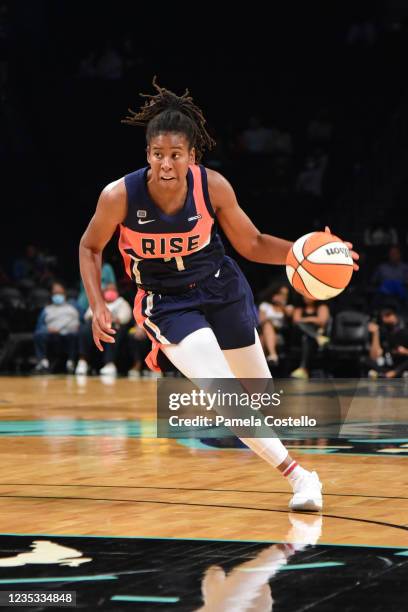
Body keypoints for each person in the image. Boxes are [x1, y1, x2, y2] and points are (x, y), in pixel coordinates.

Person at [79, 78, 359, 512]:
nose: (166, 164)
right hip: (166, 302)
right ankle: (302, 477)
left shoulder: (213, 187)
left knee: (259, 394)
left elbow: (252, 243)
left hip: (220, 286)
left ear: (192, 155)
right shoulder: (119, 196)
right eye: (157, 155)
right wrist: (97, 304)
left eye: (175, 155)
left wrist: (312, 252)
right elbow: (90, 246)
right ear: (147, 155)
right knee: (223, 391)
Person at [33, 282, 79, 373]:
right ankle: (43, 362)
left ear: (64, 294)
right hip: (50, 333)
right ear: (52, 295)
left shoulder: (72, 308)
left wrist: (64, 330)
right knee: (39, 334)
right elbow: (40, 325)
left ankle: (71, 362)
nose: (57, 296)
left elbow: (78, 323)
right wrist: (47, 329)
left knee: (75, 335)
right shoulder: (47, 309)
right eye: (55, 294)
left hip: (67, 333)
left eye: (60, 293)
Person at [290, 296, 331, 380]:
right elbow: (296, 321)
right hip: (299, 337)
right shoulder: (299, 308)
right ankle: (317, 337)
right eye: (304, 296)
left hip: (313, 338)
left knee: (306, 338)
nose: (306, 298)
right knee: (300, 326)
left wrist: (304, 319)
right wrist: (312, 319)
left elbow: (321, 321)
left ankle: (303, 369)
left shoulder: (322, 307)